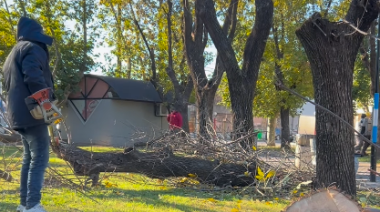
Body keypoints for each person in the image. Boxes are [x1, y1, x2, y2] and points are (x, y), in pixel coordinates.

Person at [3, 17, 56, 212]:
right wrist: (47, 105)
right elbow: (33, 76)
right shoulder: (32, 48)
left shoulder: (12, 53)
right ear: (35, 33)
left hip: (17, 114)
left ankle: (24, 205)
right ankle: (33, 205)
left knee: (28, 158)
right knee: (40, 157)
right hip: (33, 111)